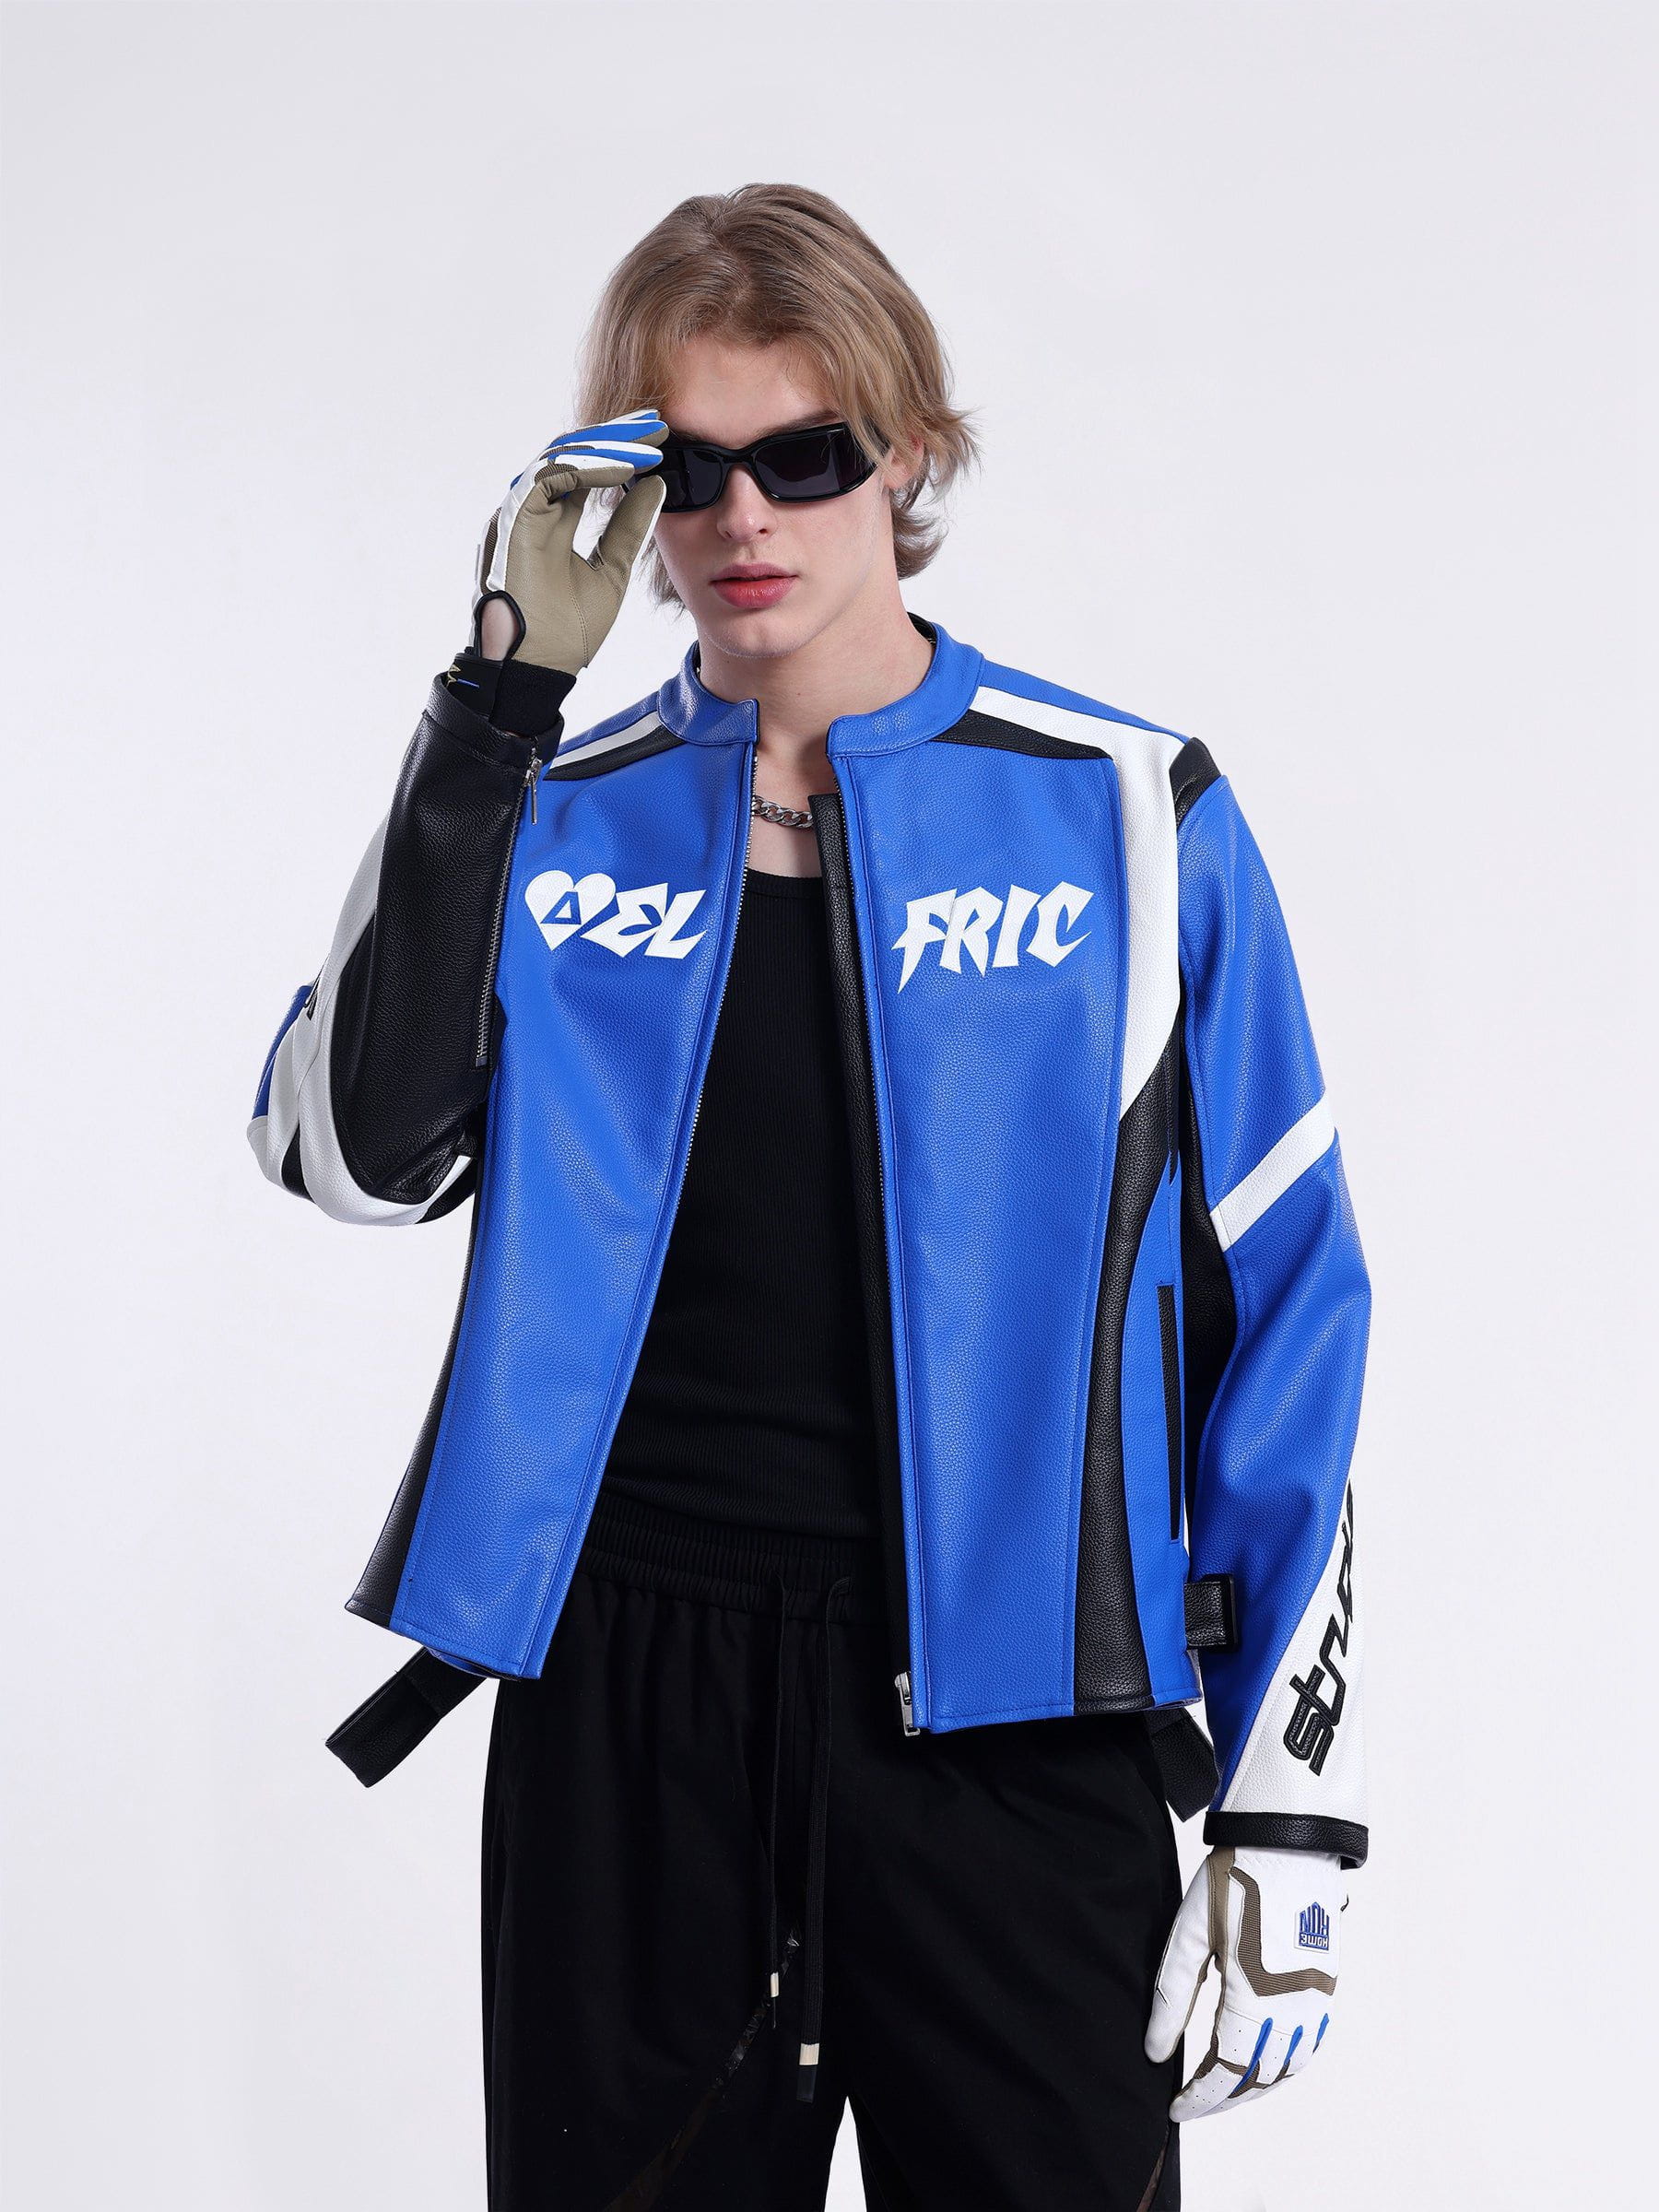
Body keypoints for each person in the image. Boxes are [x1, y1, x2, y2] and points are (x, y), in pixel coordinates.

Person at [249, 183, 1371, 2212]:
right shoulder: (553, 809)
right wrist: (495, 703)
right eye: (687, 469)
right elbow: (349, 1147)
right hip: (632, 1714)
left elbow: (1287, 1301)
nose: (742, 517)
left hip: (1021, 1716)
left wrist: (1290, 1805)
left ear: (909, 453)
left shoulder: (1130, 810)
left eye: (804, 455)